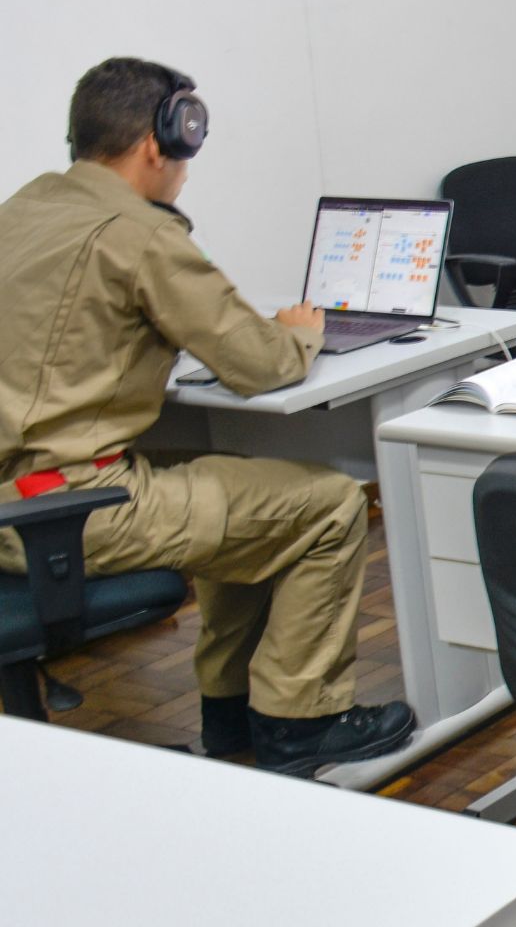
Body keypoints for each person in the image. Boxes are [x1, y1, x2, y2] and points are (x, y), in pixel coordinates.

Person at [0, 58, 415, 775]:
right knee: (328, 506)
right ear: (159, 141)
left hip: (21, 502)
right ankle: (301, 721)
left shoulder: (25, 209)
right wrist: (301, 328)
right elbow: (263, 364)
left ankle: (230, 710)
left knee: (246, 489)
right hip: (73, 508)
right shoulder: (139, 233)